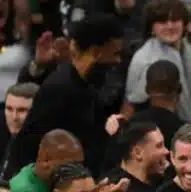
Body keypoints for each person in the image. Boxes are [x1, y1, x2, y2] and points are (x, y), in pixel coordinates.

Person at [8, 14, 125, 175]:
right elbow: (30, 147)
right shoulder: (60, 89)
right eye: (115, 53)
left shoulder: (87, 87)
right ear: (97, 52)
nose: (118, 60)